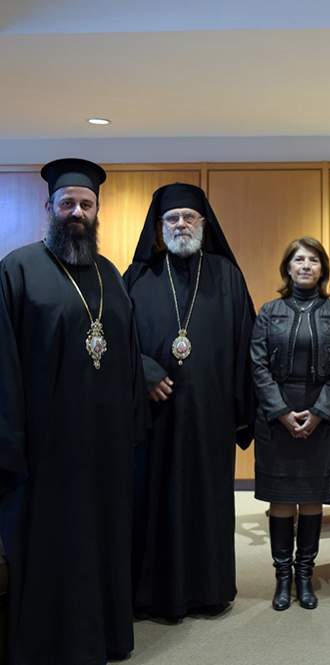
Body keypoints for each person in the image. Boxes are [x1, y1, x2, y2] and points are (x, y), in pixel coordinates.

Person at [0, 158, 145, 663]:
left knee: (102, 540)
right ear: (49, 208)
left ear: (97, 210)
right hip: (45, 446)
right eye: (68, 204)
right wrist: (10, 442)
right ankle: (50, 645)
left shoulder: (110, 275)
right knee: (52, 544)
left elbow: (127, 354)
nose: (77, 212)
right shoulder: (17, 269)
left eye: (86, 204)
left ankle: (104, 637)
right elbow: (4, 361)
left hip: (104, 445)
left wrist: (130, 425)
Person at [124, 183, 256, 621]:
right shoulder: (138, 277)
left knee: (206, 503)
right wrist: (142, 369)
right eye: (172, 218)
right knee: (152, 500)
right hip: (154, 417)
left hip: (209, 417)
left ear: (204, 223)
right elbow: (113, 337)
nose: (181, 224)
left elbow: (246, 343)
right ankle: (151, 595)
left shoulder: (227, 275)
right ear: (159, 228)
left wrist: (240, 410)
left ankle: (208, 591)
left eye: (189, 217)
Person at [251, 237, 330, 611]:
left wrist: (320, 412)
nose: (306, 265)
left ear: (322, 269)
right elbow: (258, 365)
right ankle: (283, 578)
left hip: (320, 417)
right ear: (288, 268)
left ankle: (305, 577)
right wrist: (280, 411)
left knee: (311, 499)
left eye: (313, 260)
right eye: (299, 260)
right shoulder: (269, 311)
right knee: (280, 499)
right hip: (275, 416)